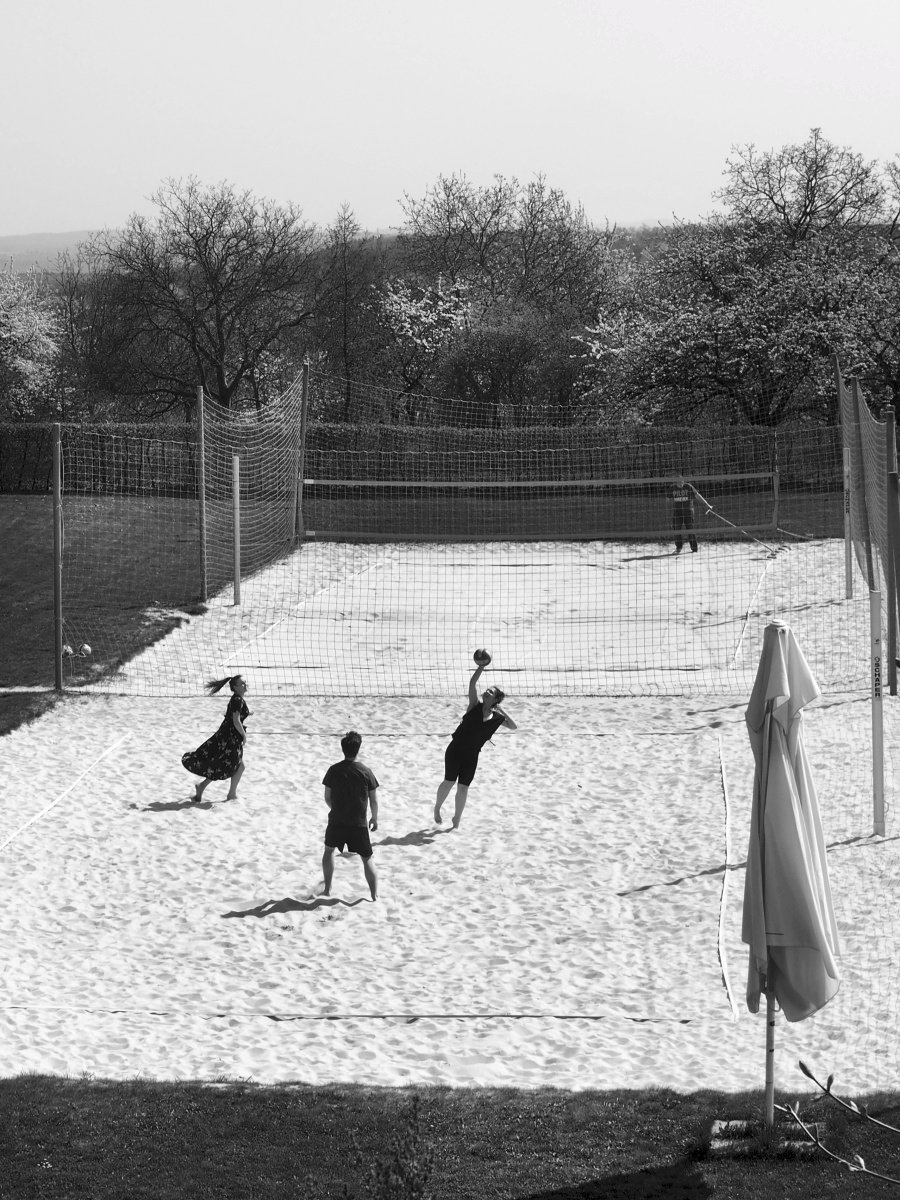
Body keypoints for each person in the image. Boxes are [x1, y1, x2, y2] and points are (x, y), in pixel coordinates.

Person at [434, 660, 517, 830]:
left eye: (490, 692)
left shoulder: (497, 718)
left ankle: (457, 818)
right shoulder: (474, 706)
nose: (486, 692)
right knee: (449, 782)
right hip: (455, 749)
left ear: (495, 699)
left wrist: (501, 710)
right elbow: (472, 683)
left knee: (463, 788)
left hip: (472, 755)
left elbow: (513, 726)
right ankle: (437, 808)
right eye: (487, 690)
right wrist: (481, 667)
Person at [322, 731, 380, 901]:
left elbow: (327, 797)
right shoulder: (366, 771)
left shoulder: (333, 770)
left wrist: (337, 808)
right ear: (358, 748)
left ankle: (327, 889)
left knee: (328, 851)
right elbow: (373, 800)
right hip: (359, 824)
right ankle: (374, 895)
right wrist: (374, 818)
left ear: (343, 749)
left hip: (337, 821)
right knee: (367, 858)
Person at [182, 675, 250, 802]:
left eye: (245, 683)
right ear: (235, 687)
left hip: (227, 736)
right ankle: (230, 794)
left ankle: (204, 787)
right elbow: (236, 720)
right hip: (230, 738)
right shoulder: (237, 700)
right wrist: (244, 736)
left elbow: (233, 716)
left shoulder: (237, 699)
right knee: (234, 766)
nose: (245, 685)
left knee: (225, 765)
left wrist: (246, 713)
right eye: (242, 684)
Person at [671, 474, 699, 554]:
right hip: (677, 512)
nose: (680, 482)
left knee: (690, 529)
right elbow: (668, 498)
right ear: (676, 481)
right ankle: (679, 547)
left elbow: (697, 495)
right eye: (678, 481)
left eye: (681, 480)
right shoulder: (672, 488)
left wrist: (707, 504)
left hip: (688, 512)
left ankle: (694, 549)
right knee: (676, 529)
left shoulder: (688, 486)